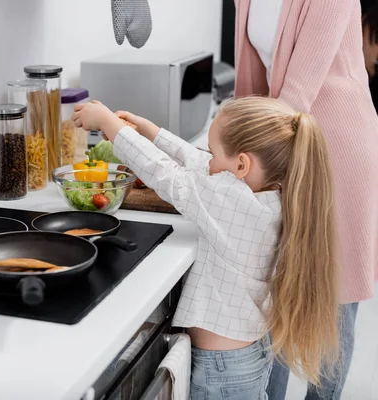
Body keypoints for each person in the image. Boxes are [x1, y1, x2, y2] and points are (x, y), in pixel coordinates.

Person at [71, 96, 340, 399]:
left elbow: (164, 173)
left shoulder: (231, 201)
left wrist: (109, 122)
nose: (208, 158)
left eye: (214, 152)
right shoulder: (269, 195)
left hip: (222, 371)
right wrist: (149, 131)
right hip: (244, 358)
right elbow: (199, 163)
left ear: (241, 165)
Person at [234, 0, 378, 398]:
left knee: (335, 299)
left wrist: (235, 155)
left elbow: (295, 95)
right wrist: (230, 150)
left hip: (338, 152)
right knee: (278, 292)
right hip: (281, 148)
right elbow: (248, 85)